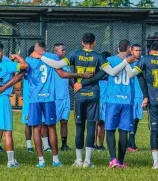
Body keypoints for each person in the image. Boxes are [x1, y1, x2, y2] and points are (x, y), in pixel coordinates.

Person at [40, 33, 133, 167]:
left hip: (80, 94)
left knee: (79, 126)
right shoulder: (99, 56)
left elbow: (56, 63)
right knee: (91, 127)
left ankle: (78, 160)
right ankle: (87, 161)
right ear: (94, 42)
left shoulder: (74, 54)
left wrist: (41, 57)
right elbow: (111, 72)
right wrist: (125, 62)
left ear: (82, 42)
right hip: (93, 94)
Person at [18, 41, 89, 167]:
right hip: (49, 98)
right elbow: (63, 74)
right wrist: (81, 75)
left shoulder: (28, 60)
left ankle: (41, 160)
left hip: (35, 99)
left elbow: (20, 74)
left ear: (36, 48)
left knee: (37, 128)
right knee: (51, 127)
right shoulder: (52, 57)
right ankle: (55, 159)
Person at [99, 40, 139, 168]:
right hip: (127, 101)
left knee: (110, 130)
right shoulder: (134, 61)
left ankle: (113, 159)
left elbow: (107, 73)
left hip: (112, 100)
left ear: (117, 49)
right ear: (129, 49)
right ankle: (121, 161)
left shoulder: (109, 59)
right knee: (123, 131)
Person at [53, 43, 72, 151]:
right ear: (55, 52)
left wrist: (75, 86)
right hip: (56, 97)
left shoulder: (66, 64)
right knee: (52, 122)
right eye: (62, 50)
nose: (64, 52)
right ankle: (51, 143)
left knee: (64, 121)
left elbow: (69, 79)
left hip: (66, 97)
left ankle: (64, 144)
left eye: (65, 50)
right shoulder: (53, 64)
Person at [94, 51, 112, 152]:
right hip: (98, 98)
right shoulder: (98, 69)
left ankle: (100, 145)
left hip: (106, 99)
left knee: (102, 122)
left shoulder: (110, 71)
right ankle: (94, 144)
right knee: (97, 122)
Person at [128, 44, 144, 152]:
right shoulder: (127, 62)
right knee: (131, 119)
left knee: (136, 120)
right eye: (136, 50)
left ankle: (130, 143)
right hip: (131, 95)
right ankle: (131, 144)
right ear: (131, 51)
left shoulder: (143, 61)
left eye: (139, 50)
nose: (138, 52)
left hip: (140, 95)